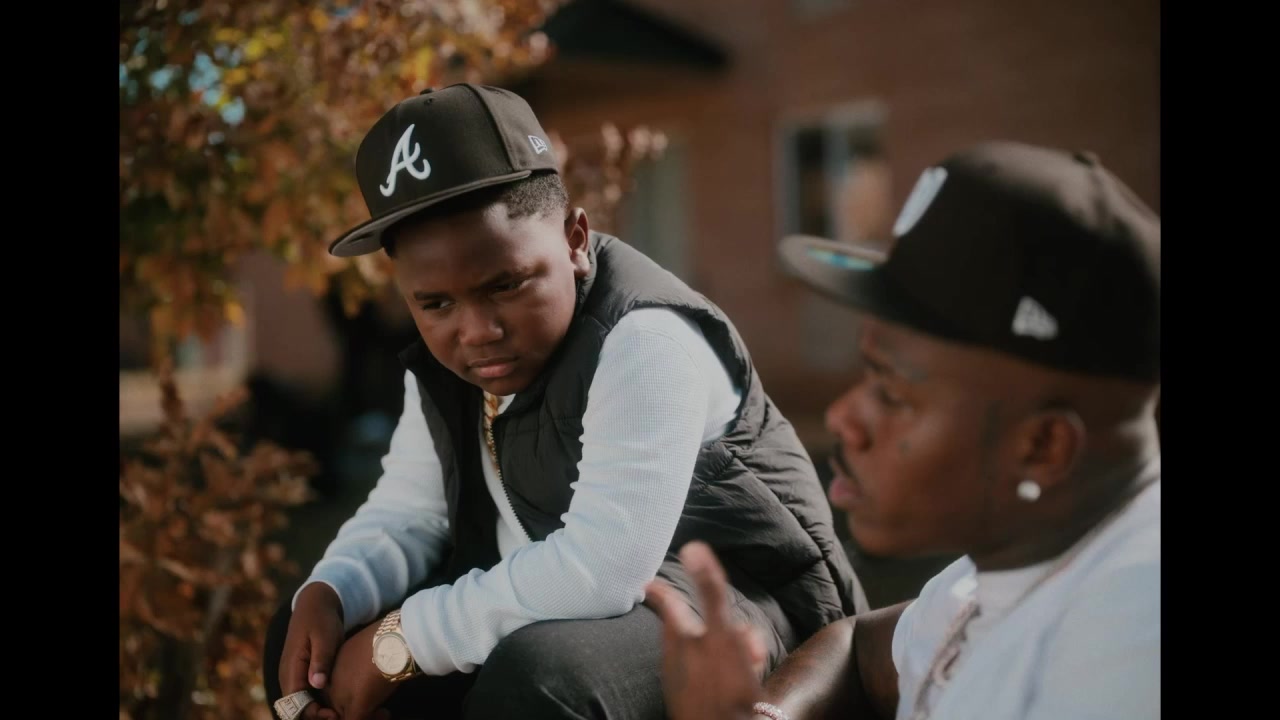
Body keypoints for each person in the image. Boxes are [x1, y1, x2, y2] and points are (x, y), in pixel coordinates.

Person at [262, 82, 867, 720]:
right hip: (564, 604)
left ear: (575, 239)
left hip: (738, 614)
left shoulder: (645, 339)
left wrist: (402, 641)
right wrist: (334, 587)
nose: (476, 330)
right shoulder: (454, 363)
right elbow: (410, 512)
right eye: (434, 303)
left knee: (542, 679)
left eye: (506, 285)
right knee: (306, 640)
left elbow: (602, 567)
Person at [645, 140, 1161, 720]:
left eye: (892, 393)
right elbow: (858, 646)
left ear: (1043, 447)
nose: (844, 417)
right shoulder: (1015, 559)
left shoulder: (1133, 636)